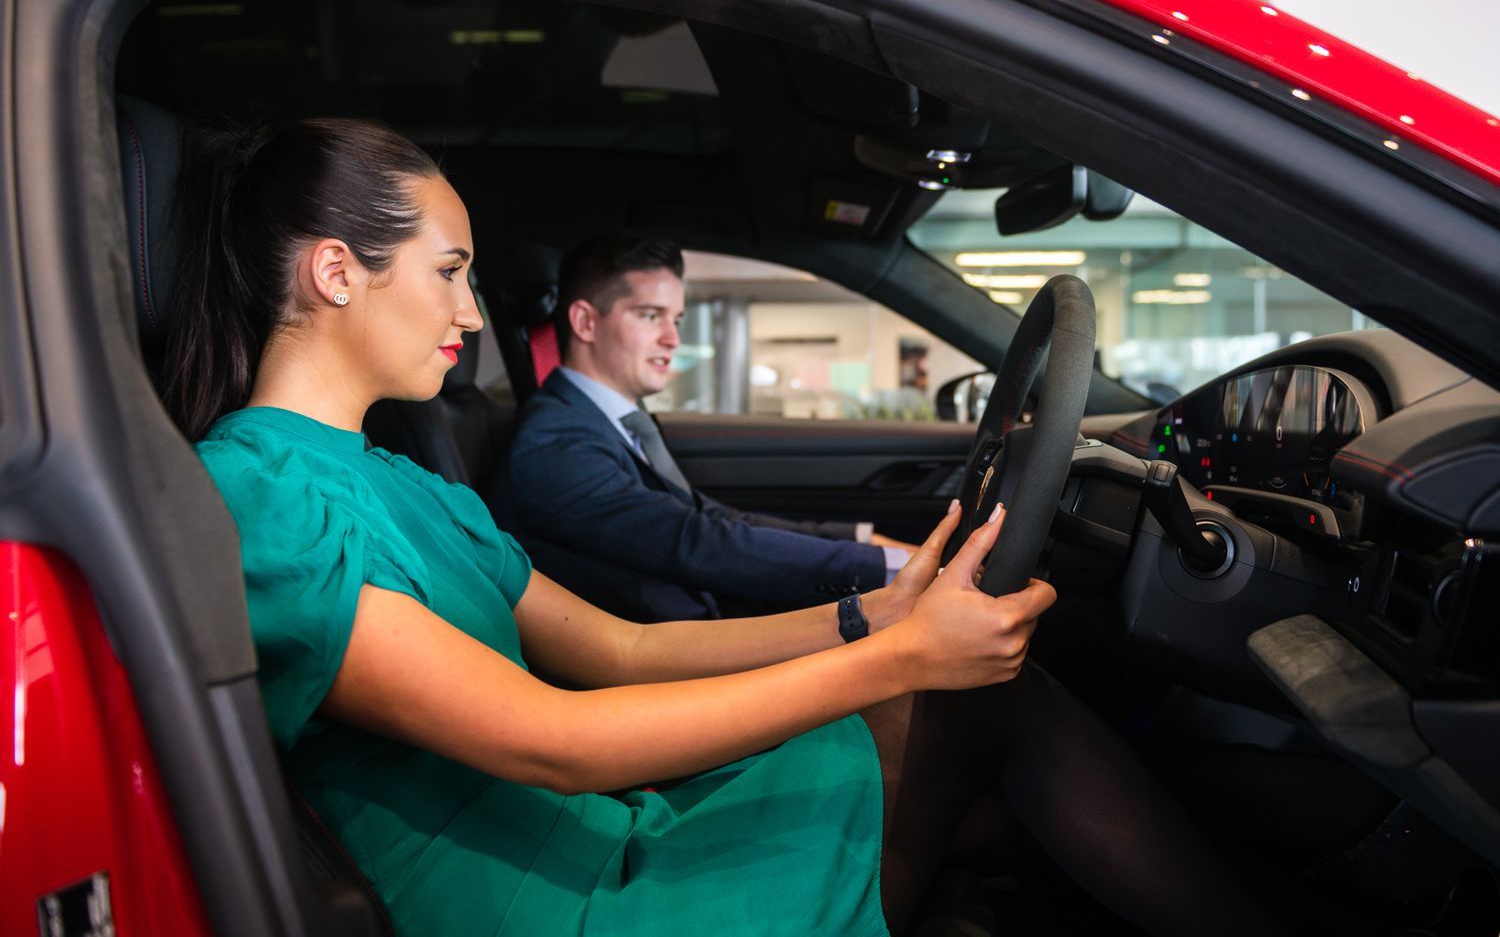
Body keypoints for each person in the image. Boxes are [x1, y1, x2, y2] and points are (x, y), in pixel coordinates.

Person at [169, 115, 1286, 937]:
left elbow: (623, 649)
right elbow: (547, 736)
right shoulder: (263, 496)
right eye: (451, 272)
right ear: (333, 273)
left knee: (983, 728)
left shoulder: (397, 476)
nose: (471, 310)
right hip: (559, 903)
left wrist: (875, 615)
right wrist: (896, 655)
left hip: (593, 836)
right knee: (991, 712)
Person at [501, 235, 917, 622]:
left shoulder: (610, 420)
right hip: (661, 659)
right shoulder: (554, 441)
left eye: (677, 320)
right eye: (650, 316)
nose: (672, 339)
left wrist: (867, 544)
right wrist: (885, 569)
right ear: (586, 323)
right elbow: (692, 539)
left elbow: (711, 516)